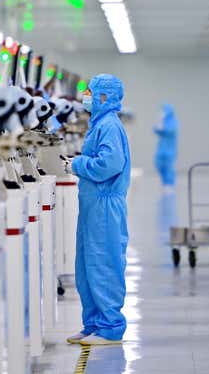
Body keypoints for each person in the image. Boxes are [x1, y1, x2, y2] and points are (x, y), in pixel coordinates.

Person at [64, 74, 131, 346]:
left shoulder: (109, 126)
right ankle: (92, 324)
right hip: (92, 205)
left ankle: (111, 327)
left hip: (105, 207)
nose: (86, 96)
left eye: (90, 92)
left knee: (104, 265)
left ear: (104, 96)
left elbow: (110, 163)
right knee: (86, 267)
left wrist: (78, 164)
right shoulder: (99, 124)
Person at [154, 104, 178, 189]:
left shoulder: (173, 121)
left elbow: (170, 130)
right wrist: (160, 122)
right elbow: (155, 129)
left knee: (168, 165)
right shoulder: (162, 121)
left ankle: (169, 183)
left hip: (170, 149)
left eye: (163, 111)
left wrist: (162, 128)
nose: (162, 113)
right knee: (159, 164)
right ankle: (164, 181)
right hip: (161, 148)